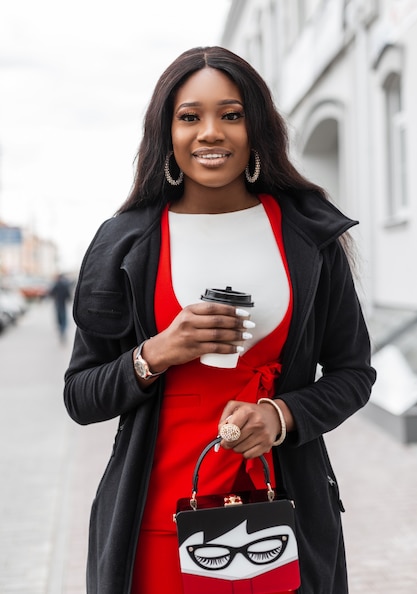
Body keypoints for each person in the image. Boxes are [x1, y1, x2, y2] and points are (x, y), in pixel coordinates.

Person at [63, 46, 376, 594]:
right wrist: (156, 353)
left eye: (230, 115)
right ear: (167, 133)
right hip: (156, 524)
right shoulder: (124, 243)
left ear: (256, 129)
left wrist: (282, 415)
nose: (211, 132)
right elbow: (81, 397)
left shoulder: (308, 235)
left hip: (282, 518)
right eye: (190, 117)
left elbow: (354, 373)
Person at [49, 273, 71, 342]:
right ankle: (63, 330)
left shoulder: (57, 284)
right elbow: (68, 294)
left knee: (59, 317)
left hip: (58, 302)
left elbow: (51, 293)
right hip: (63, 303)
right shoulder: (65, 284)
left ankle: (61, 329)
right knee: (63, 317)